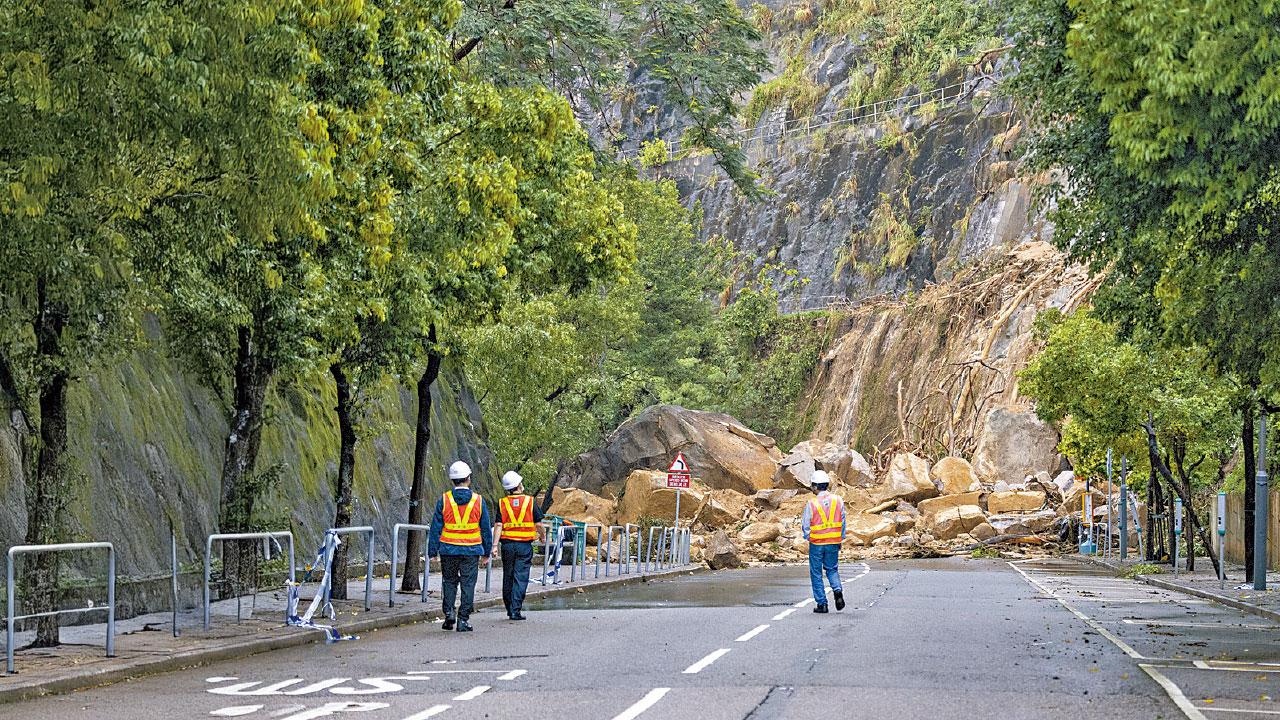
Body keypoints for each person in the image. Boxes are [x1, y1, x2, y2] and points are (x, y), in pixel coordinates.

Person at [427, 460, 492, 632]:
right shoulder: (478, 501)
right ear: (468, 478)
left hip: (448, 549)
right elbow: (485, 528)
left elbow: (435, 527)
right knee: (468, 584)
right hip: (471, 550)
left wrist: (432, 551)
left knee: (449, 582)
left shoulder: (444, 500)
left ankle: (449, 613)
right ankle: (463, 620)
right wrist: (487, 551)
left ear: (452, 480)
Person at [491, 470, 545, 620]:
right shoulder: (530, 501)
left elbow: (498, 525)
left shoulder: (502, 503)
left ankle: (509, 608)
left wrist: (495, 546)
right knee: (520, 576)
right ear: (519, 485)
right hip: (524, 546)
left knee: (508, 575)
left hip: (507, 545)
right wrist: (543, 536)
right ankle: (515, 610)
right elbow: (539, 524)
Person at [802, 470, 846, 613]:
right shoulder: (838, 500)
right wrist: (840, 538)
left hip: (817, 544)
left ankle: (822, 604)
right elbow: (843, 521)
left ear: (815, 486)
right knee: (832, 569)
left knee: (816, 573)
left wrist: (809, 537)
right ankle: (837, 590)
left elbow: (806, 525)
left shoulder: (812, 503)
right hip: (833, 541)